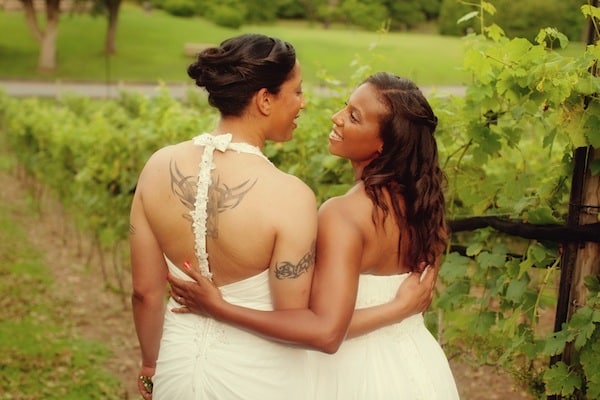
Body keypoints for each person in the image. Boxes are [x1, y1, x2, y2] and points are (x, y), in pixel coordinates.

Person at [130, 34, 429, 400]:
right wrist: (399, 308)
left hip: (176, 368)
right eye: (297, 91)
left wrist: (151, 365)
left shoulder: (157, 167)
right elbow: (303, 320)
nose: (304, 103)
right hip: (258, 377)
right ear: (265, 99)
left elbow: (145, 292)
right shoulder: (290, 196)